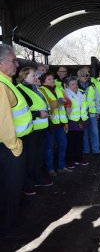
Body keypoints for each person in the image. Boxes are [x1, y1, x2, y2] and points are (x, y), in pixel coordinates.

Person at [0, 44, 33, 237]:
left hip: (11, 145)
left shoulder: (7, 81)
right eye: (13, 60)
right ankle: (7, 229)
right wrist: (15, 146)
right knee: (9, 189)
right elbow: (3, 121)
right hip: (9, 147)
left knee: (10, 189)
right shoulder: (2, 85)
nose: (17, 63)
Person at [16, 67, 52, 195]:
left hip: (41, 127)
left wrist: (47, 113)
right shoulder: (20, 90)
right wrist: (37, 113)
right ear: (24, 76)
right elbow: (20, 111)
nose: (36, 77)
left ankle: (38, 178)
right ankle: (29, 184)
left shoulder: (35, 88)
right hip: (31, 130)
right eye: (33, 75)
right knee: (31, 159)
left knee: (38, 157)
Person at [39, 72, 71, 174]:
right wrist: (60, 101)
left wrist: (66, 103)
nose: (52, 80)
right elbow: (48, 105)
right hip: (50, 123)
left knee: (63, 145)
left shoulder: (59, 89)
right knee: (49, 147)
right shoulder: (41, 91)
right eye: (49, 79)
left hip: (61, 123)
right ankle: (50, 168)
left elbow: (68, 101)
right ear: (43, 81)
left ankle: (61, 166)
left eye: (52, 79)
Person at [65, 76, 89, 167]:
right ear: (67, 86)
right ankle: (70, 160)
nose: (75, 85)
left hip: (82, 120)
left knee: (79, 141)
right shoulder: (66, 94)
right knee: (71, 142)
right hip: (72, 121)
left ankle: (79, 158)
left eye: (76, 83)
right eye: (72, 84)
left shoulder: (81, 93)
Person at [78, 67, 100, 156]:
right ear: (79, 76)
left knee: (95, 132)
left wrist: (98, 112)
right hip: (81, 115)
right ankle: (86, 150)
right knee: (84, 133)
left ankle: (96, 150)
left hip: (92, 114)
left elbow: (97, 99)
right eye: (83, 75)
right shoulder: (75, 86)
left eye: (87, 75)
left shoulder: (93, 85)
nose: (85, 76)